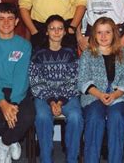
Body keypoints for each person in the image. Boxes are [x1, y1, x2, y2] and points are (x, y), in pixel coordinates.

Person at [0, 3, 34, 163]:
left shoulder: (24, 45)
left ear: (17, 21)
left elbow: (21, 77)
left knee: (27, 117)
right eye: (1, 18)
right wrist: (3, 103)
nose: (6, 22)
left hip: (19, 91)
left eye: (10, 18)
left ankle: (4, 143)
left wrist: (14, 104)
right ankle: (11, 140)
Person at [78, 17, 124, 163]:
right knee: (95, 118)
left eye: (107, 32)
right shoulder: (87, 54)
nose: (103, 36)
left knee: (116, 117)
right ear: (94, 35)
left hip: (119, 97)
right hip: (94, 97)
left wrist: (115, 94)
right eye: (99, 32)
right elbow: (83, 80)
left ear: (114, 33)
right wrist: (100, 94)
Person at [29, 14, 83, 163]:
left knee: (76, 117)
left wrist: (60, 101)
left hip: (67, 96)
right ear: (46, 32)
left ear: (65, 31)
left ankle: (72, 158)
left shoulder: (71, 53)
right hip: (44, 97)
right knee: (42, 117)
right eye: (52, 29)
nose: (56, 32)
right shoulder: (38, 54)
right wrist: (52, 101)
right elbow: (35, 82)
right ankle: (46, 159)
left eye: (60, 28)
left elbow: (75, 80)